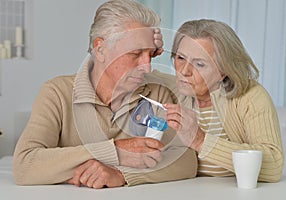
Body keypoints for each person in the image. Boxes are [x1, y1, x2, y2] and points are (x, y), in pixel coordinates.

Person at [13, 0, 197, 189]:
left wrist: (122, 174)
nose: (147, 66)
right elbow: (25, 164)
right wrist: (115, 151)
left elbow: (185, 161)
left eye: (150, 54)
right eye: (135, 53)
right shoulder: (57, 93)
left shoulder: (156, 93)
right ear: (100, 49)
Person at [155, 19, 283, 182]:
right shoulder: (172, 87)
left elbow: (274, 166)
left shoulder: (251, 96)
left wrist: (200, 141)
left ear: (224, 71)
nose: (184, 71)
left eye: (200, 64)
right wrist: (146, 50)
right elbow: (130, 75)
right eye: (180, 58)